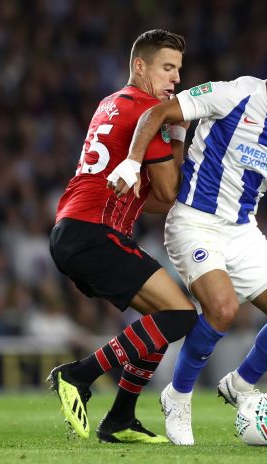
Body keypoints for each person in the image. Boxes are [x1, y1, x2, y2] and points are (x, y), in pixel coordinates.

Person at [108, 36, 267, 445]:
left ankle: (240, 384)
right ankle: (178, 395)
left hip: (243, 231)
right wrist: (133, 161)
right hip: (195, 221)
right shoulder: (232, 94)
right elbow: (158, 112)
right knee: (222, 308)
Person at [47, 29, 197, 445]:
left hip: (71, 229)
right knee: (182, 315)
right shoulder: (148, 109)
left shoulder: (109, 104)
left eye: (178, 70)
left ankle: (120, 417)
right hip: (95, 232)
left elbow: (138, 194)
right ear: (140, 66)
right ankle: (79, 375)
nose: (176, 80)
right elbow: (168, 193)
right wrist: (179, 133)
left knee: (162, 320)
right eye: (167, 68)